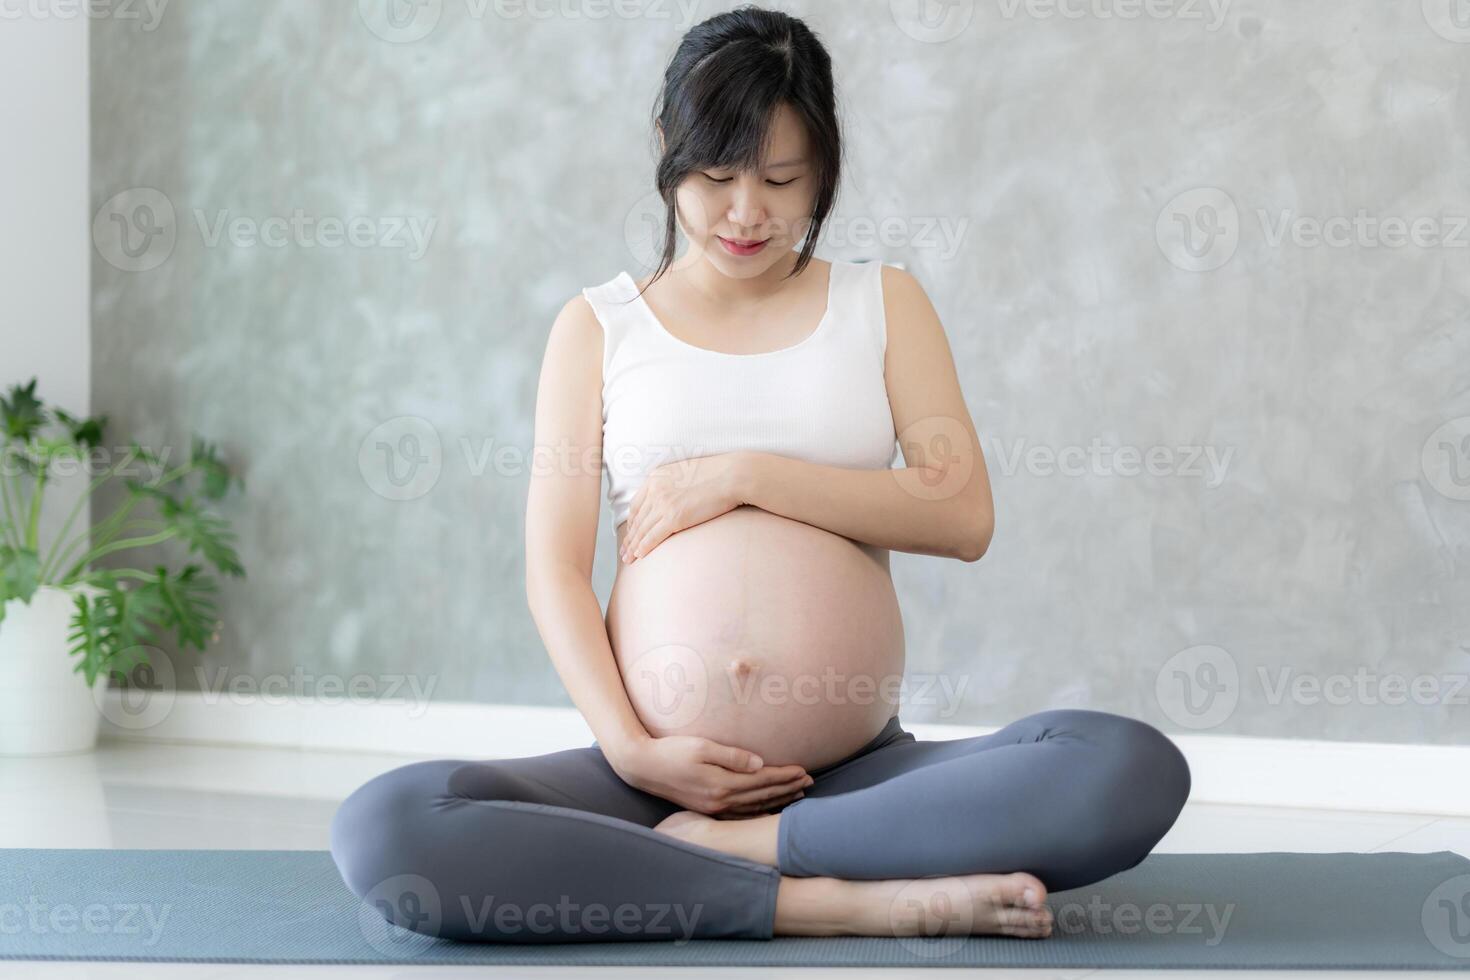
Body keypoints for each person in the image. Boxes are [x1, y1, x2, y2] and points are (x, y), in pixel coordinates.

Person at [330, 5, 1190, 945]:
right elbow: (555, 573)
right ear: (668, 149)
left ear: (824, 165)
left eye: (782, 179)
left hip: (855, 775)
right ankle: (828, 896)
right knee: (389, 827)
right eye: (716, 175)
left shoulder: (882, 302)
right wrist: (636, 750)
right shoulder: (598, 329)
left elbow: (963, 513)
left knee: (1123, 765)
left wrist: (744, 476)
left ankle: (747, 849)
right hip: (647, 782)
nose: (747, 212)